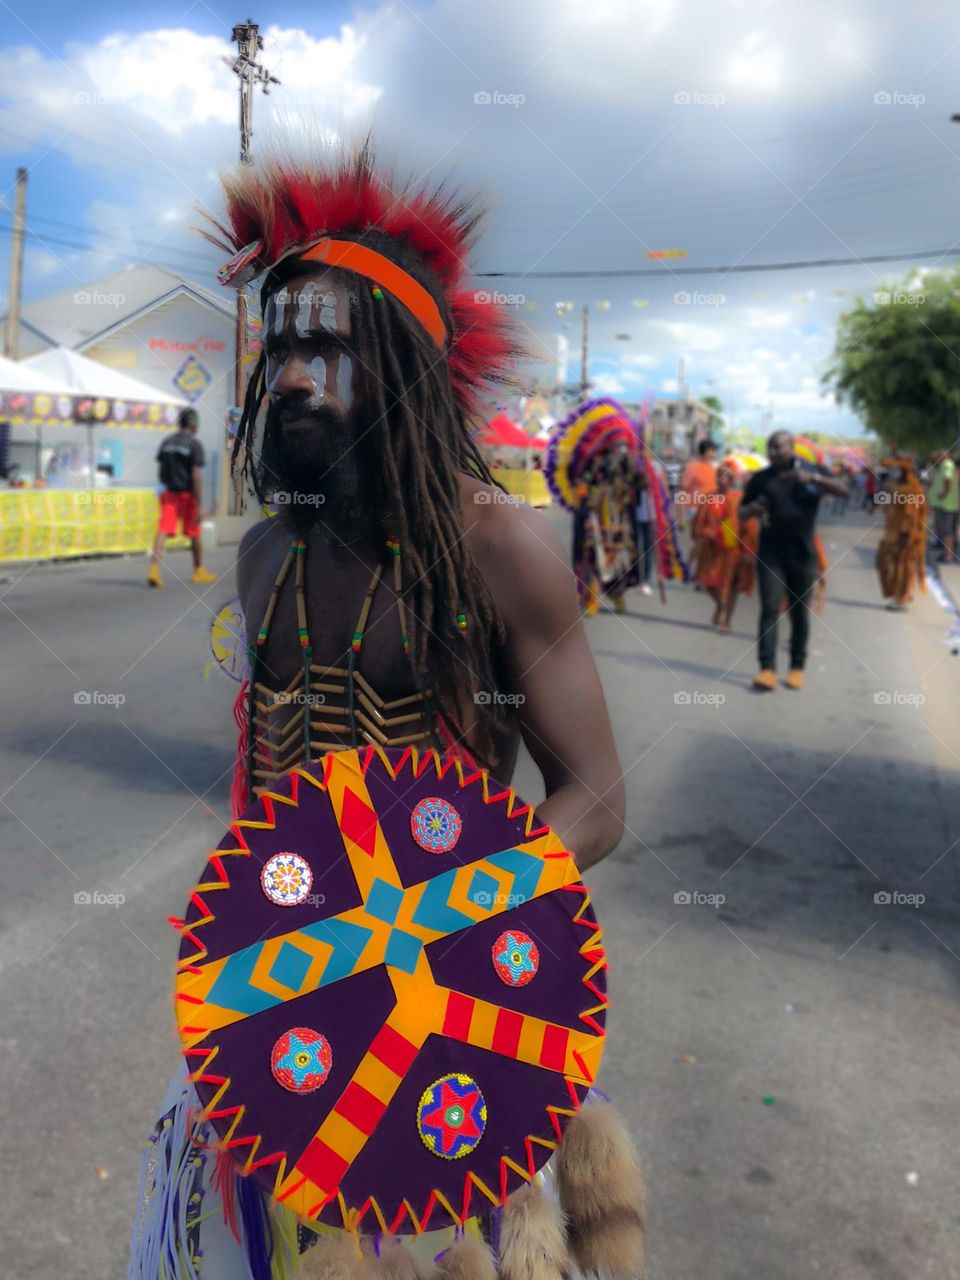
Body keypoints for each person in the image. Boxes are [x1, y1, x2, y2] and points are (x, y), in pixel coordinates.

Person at [128, 137, 627, 1279]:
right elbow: (263, 789)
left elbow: (598, 796)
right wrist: (250, 953)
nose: (294, 373)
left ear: (400, 365)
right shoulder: (265, 558)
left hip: (454, 1015)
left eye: (328, 345)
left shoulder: (500, 550)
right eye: (281, 343)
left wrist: (435, 919)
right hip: (282, 1004)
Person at [740, 429, 848, 691]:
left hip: (802, 554)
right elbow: (741, 513)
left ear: (792, 448)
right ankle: (766, 669)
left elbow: (842, 490)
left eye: (780, 447)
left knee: (799, 613)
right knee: (769, 608)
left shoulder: (809, 471)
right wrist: (753, 509)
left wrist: (811, 478)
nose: (775, 452)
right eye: (771, 448)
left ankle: (797, 667)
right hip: (770, 553)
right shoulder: (761, 479)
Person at [147, 407, 216, 587]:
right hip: (187, 495)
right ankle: (198, 570)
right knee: (194, 533)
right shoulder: (194, 444)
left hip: (169, 493)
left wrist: (168, 482)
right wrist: (199, 503)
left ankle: (154, 570)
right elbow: (196, 475)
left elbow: (161, 473)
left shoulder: (167, 442)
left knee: (163, 529)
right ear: (194, 424)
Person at [691, 459, 758, 632]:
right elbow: (699, 522)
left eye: (726, 477)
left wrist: (748, 549)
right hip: (712, 549)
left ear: (732, 479)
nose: (722, 480)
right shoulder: (709, 498)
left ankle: (727, 621)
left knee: (734, 585)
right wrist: (707, 533)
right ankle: (721, 604)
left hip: (734, 550)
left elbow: (749, 525)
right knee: (707, 582)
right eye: (719, 476)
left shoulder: (739, 499)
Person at [876, 455, 926, 610]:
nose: (892, 472)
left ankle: (901, 599)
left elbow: (912, 515)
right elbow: (885, 504)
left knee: (902, 568)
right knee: (882, 562)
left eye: (895, 470)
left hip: (905, 536)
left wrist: (906, 534)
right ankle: (900, 594)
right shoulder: (895, 486)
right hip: (891, 534)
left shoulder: (911, 488)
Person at [677, 438, 718, 536]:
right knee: (699, 543)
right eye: (713, 450)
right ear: (706, 451)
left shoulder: (712, 467)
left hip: (710, 512)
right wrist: (681, 518)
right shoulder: (692, 467)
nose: (715, 453)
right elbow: (682, 492)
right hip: (694, 512)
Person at [927, 446, 958, 564]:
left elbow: (948, 480)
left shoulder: (947, 465)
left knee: (947, 531)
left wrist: (944, 494)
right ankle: (946, 554)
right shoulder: (941, 466)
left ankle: (948, 556)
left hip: (947, 505)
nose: (935, 458)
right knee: (944, 531)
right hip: (942, 504)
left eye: (937, 456)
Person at [632, 462, 656, 597]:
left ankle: (645, 580)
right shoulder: (632, 467)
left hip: (649, 515)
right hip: (633, 514)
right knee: (634, 549)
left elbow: (662, 491)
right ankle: (634, 579)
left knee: (647, 549)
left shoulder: (655, 468)